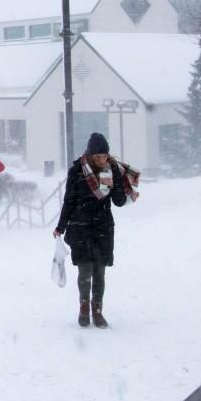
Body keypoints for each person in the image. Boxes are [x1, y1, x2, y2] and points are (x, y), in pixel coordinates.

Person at [53, 132, 140, 329]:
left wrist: (119, 182)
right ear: (91, 155)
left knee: (99, 272)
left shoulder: (112, 171)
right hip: (81, 227)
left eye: (105, 155)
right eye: (99, 156)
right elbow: (69, 200)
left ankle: (97, 311)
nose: (103, 159)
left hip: (103, 227)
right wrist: (61, 226)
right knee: (85, 270)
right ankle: (84, 308)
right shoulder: (77, 171)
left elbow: (118, 202)